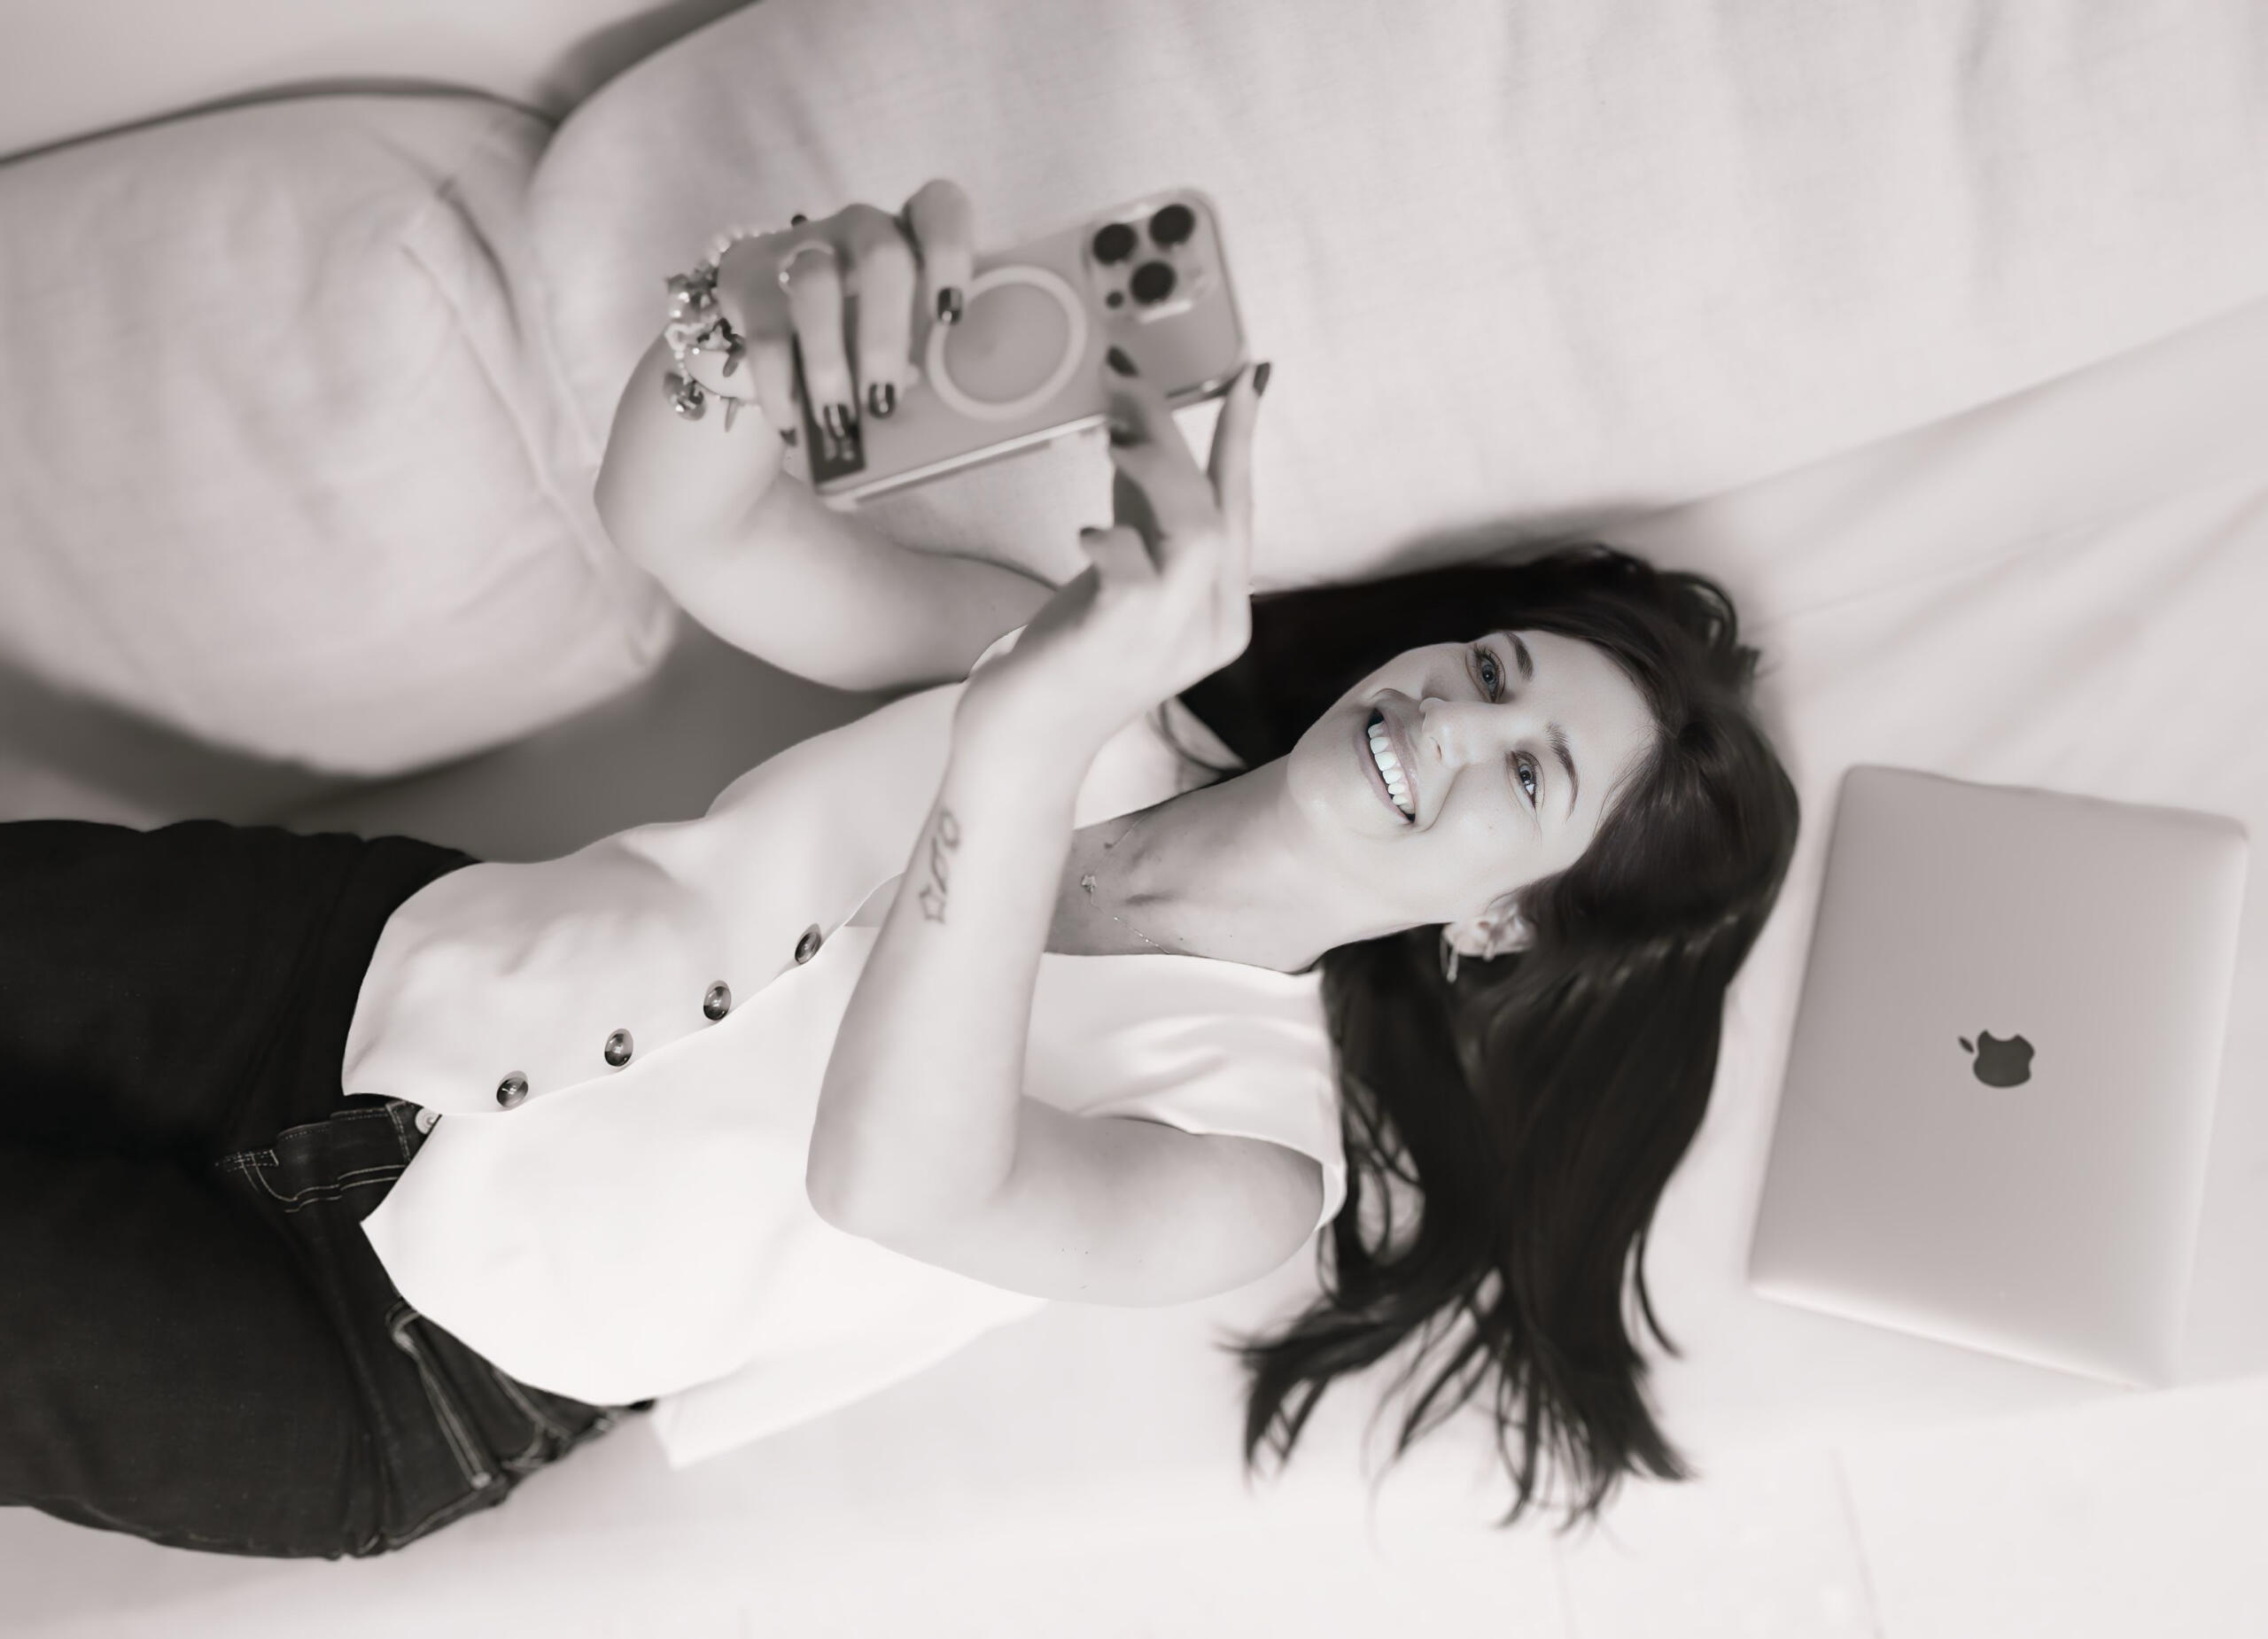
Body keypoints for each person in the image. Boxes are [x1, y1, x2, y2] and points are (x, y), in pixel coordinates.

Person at [0, 181, 1798, 1557]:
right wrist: (743, 337)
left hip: (391, 1367)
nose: (1456, 720)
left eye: (1527, 774)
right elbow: (686, 523)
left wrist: (1028, 733)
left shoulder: (1251, 1160)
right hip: (329, 964)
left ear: (1502, 918)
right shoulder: (1087, 671)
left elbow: (895, 1180)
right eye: (1491, 667)